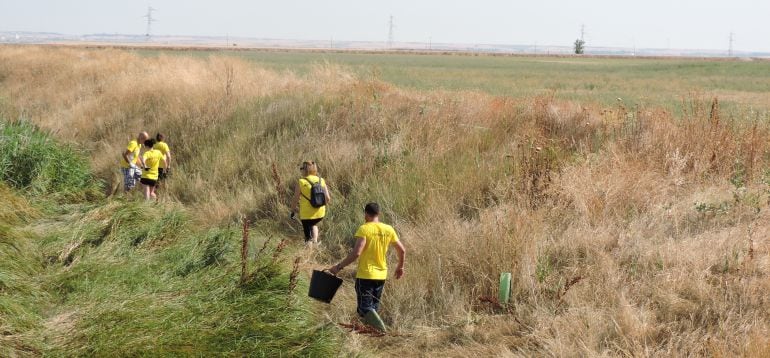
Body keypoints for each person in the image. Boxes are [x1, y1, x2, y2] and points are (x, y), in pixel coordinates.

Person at [328, 202, 406, 331]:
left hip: (366, 274)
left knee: (365, 308)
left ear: (365, 213)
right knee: (373, 306)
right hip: (381, 275)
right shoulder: (389, 229)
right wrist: (400, 267)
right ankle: (370, 331)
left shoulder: (364, 228)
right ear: (378, 214)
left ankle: (381, 330)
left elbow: (356, 253)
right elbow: (402, 250)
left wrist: (338, 267)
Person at [291, 161, 331, 245]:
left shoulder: (301, 182)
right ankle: (315, 242)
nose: (300, 170)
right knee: (314, 224)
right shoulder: (321, 180)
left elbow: (295, 198)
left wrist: (293, 209)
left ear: (305, 170)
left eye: (301, 168)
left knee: (308, 236)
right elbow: (328, 198)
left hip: (306, 214)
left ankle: (309, 252)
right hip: (320, 213)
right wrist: (319, 206)